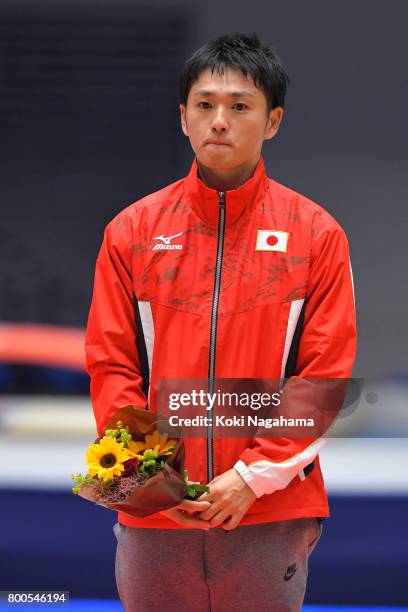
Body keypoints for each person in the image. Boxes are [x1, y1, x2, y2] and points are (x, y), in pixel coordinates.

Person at [85, 32, 357, 612]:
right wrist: (149, 474)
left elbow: (324, 371)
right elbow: (111, 362)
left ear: (273, 120)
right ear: (182, 117)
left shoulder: (317, 235)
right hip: (157, 510)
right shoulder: (131, 232)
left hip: (267, 507)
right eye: (204, 105)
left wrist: (254, 476)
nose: (219, 121)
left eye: (240, 106)